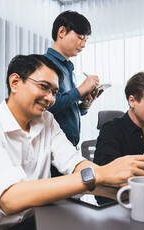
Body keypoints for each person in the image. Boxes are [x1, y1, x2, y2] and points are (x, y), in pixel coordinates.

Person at [0, 54, 144, 230]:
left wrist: (117, 188)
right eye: (44, 87)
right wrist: (101, 174)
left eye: (54, 92)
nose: (50, 98)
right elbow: (9, 199)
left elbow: (74, 163)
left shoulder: (46, 120)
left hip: (33, 224)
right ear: (15, 82)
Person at [45, 11, 101, 147]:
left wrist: (84, 105)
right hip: (52, 148)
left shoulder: (69, 69)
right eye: (80, 38)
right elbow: (49, 106)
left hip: (68, 147)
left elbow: (66, 111)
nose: (83, 45)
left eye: (86, 40)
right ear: (62, 32)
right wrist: (81, 90)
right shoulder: (45, 64)